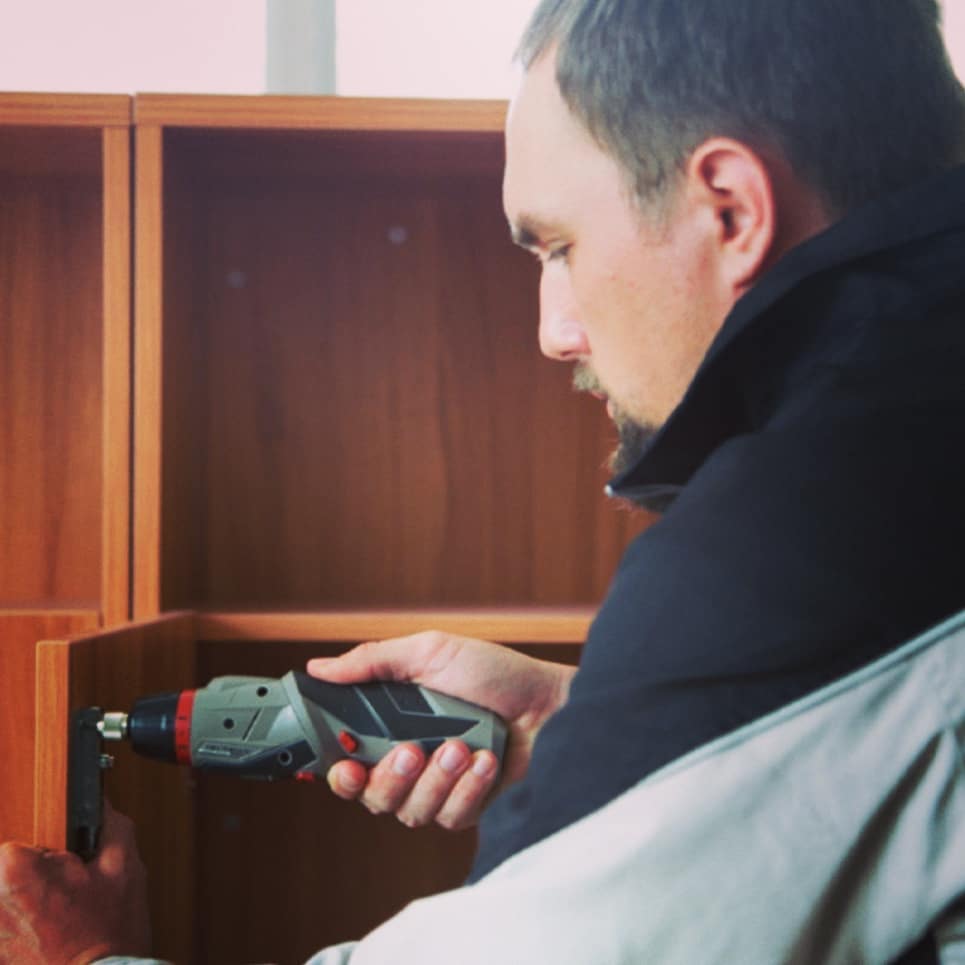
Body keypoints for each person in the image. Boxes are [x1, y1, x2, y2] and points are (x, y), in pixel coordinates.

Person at [3, 0, 965, 961]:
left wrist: (88, 959)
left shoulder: (807, 536)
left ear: (731, 210)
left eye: (560, 247)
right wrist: (580, 723)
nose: (554, 333)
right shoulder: (910, 439)